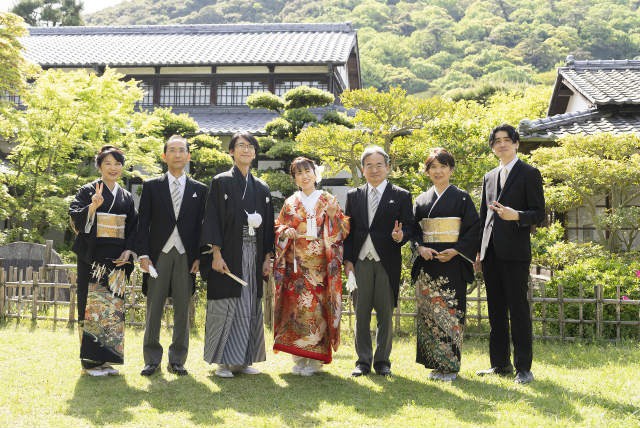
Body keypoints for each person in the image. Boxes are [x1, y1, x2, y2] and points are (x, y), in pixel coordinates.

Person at [200, 131, 275, 378]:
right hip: (229, 251)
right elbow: (212, 219)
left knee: (249, 303)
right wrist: (216, 254)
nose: (246, 150)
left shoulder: (261, 187)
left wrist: (266, 258)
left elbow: (268, 227)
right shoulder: (221, 181)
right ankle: (223, 361)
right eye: (241, 146)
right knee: (226, 303)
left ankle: (244, 359)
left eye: (250, 146)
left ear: (255, 153)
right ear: (231, 151)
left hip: (253, 252)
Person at [476, 124, 545, 385]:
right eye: (497, 141)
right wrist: (478, 252)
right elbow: (484, 217)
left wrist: (516, 215)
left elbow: (539, 213)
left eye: (507, 140)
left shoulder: (529, 173)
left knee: (518, 310)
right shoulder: (489, 176)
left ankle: (524, 368)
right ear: (493, 147)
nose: (502, 144)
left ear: (516, 144)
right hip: (490, 252)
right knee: (495, 311)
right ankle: (500, 364)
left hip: (515, 253)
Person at [136, 135, 208, 377]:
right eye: (172, 150)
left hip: (186, 255)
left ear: (188, 156)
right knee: (153, 307)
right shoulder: (151, 186)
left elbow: (202, 226)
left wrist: (200, 256)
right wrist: (143, 254)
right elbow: (142, 223)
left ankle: (178, 359)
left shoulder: (200, 189)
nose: (178, 154)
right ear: (164, 156)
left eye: (182, 151)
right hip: (159, 254)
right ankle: (151, 359)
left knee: (182, 308)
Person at [273, 157, 350, 376]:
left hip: (320, 266)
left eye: (308, 171)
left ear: (316, 174)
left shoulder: (327, 199)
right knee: (296, 311)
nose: (304, 176)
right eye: (299, 173)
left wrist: (334, 216)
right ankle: (298, 357)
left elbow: (342, 230)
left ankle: (315, 359)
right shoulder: (290, 203)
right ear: (294, 178)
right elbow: (278, 227)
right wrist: (285, 232)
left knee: (318, 310)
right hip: (296, 266)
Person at [343, 146, 413, 377]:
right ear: (362, 169)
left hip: (387, 261)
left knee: (386, 313)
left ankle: (382, 361)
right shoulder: (354, 196)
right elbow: (349, 233)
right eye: (369, 165)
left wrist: (400, 236)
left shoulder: (401, 195)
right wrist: (348, 261)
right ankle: (363, 361)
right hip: (361, 261)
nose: (374, 170)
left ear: (388, 167)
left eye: (379, 165)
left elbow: (409, 226)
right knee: (360, 313)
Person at [411, 148, 480, 382]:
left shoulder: (462, 198)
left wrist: (457, 250)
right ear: (428, 171)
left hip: (453, 263)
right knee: (430, 313)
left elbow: (473, 229)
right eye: (433, 167)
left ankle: (450, 366)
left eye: (443, 166)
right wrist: (420, 248)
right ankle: (435, 364)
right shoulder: (421, 200)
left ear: (451, 169)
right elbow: (413, 230)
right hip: (428, 263)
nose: (438, 171)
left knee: (451, 312)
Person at [69, 145, 137, 376]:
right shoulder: (88, 190)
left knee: (112, 308)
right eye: (108, 163)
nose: (113, 168)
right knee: (92, 308)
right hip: (93, 256)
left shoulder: (126, 196)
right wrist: (93, 207)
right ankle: (90, 362)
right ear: (99, 166)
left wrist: (128, 252)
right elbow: (75, 218)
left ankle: (107, 360)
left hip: (117, 259)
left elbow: (133, 228)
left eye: (117, 164)